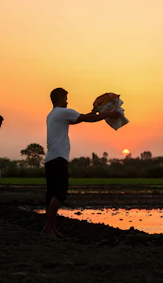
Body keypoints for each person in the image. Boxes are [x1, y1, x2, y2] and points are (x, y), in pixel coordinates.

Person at [43, 88, 122, 239]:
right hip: (58, 159)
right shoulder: (62, 112)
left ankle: (50, 228)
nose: (67, 101)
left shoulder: (52, 115)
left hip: (50, 160)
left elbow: (83, 117)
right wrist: (109, 114)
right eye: (65, 98)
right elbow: (87, 119)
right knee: (60, 194)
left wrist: (95, 110)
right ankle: (48, 227)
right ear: (59, 100)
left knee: (51, 194)